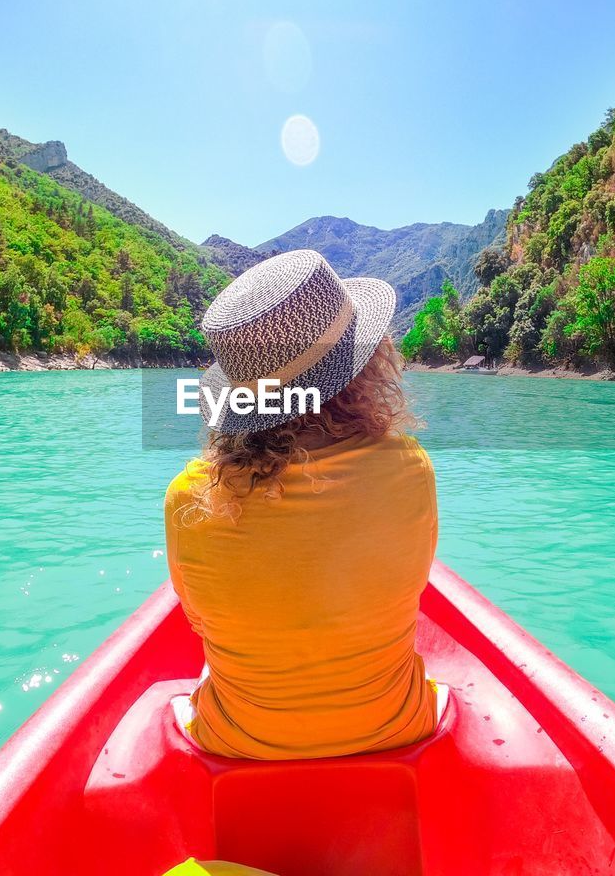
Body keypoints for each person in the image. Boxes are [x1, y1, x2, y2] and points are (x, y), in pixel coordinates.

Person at [164, 249, 446, 760]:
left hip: (240, 744)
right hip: (397, 727)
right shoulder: (409, 467)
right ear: (366, 366)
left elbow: (199, 624)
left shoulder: (190, 497)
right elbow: (418, 581)